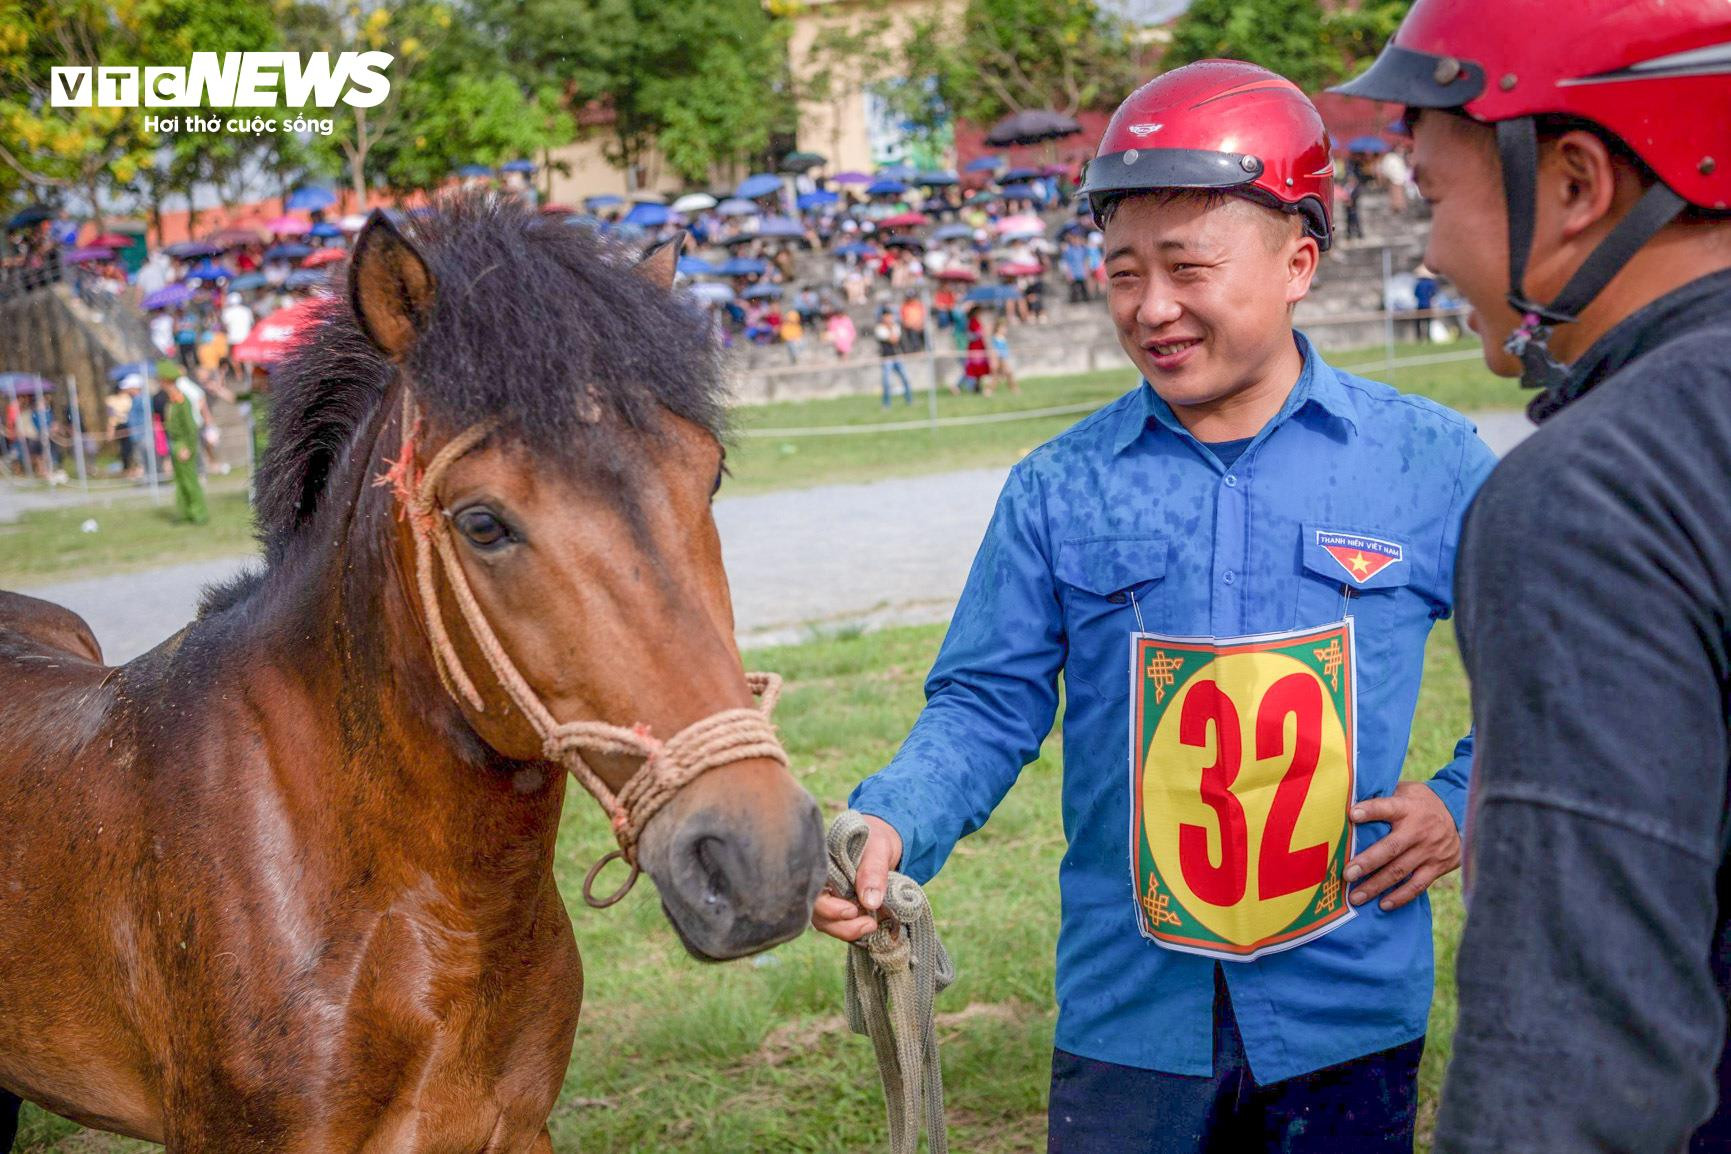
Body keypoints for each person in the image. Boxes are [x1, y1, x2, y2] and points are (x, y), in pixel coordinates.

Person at [813, 60, 1496, 1154]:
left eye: (1187, 268)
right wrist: (893, 822)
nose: (1152, 308)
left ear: (1298, 262)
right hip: (1128, 1022)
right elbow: (985, 705)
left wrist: (1462, 798)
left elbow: (1557, 679)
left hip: (1349, 1013)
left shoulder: (1430, 461)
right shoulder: (1057, 485)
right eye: (1124, 272)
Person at [1334, 6, 1731, 1152]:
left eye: (1431, 193)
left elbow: (1574, 1054)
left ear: (1574, 184)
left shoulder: (1597, 491)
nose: (1428, 251)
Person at [162, 375, 208, 525]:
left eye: (164, 382)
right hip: (175, 443)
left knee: (190, 481)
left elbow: (191, 427)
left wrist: (188, 447)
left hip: (183, 445)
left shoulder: (182, 401)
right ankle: (184, 513)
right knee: (180, 482)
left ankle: (198, 513)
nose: (162, 385)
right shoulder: (172, 401)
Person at [874, 306, 913, 407]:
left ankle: (909, 400)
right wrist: (890, 329)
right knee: (886, 382)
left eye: (890, 316)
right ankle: (886, 404)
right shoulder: (879, 328)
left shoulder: (895, 326)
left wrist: (891, 328)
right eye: (887, 316)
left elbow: (896, 339)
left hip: (896, 356)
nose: (889, 318)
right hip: (886, 358)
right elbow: (892, 339)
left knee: (905, 378)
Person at [985, 316, 1018, 397]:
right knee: (1002, 375)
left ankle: (1013, 389)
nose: (1005, 330)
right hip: (999, 359)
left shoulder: (1002, 338)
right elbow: (994, 350)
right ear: (998, 328)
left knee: (1006, 374)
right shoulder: (996, 338)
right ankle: (989, 390)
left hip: (1003, 358)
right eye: (1003, 328)